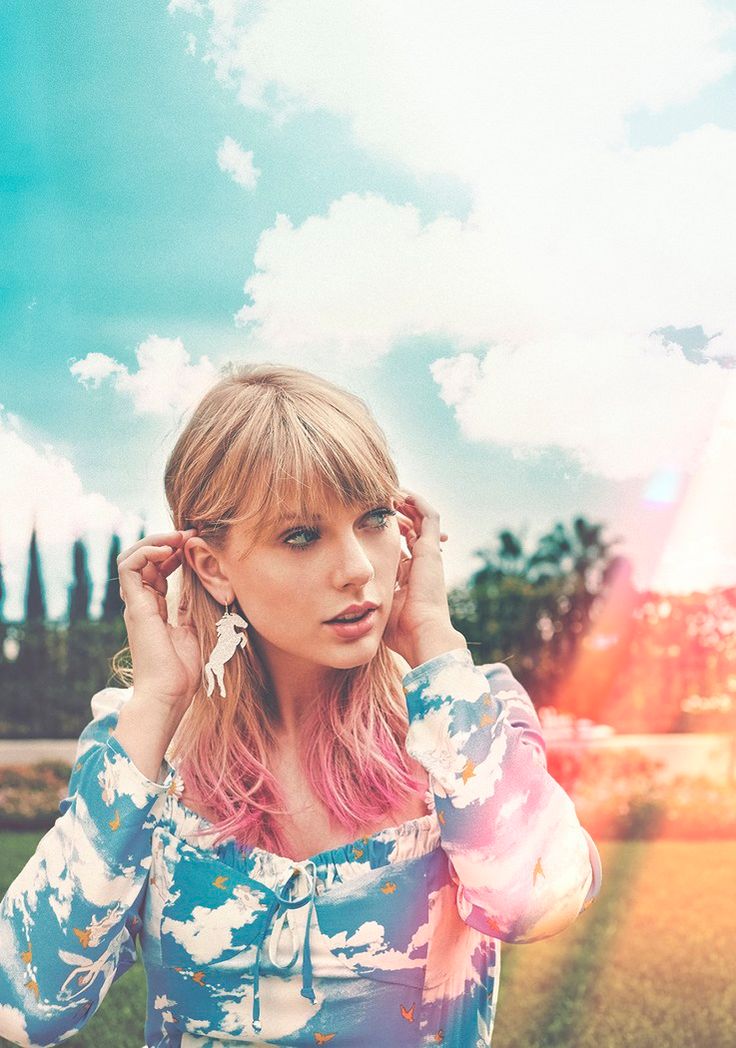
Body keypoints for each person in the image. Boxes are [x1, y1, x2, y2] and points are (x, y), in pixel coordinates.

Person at [0, 363, 602, 1047]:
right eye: (300, 535)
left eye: (373, 518)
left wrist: (435, 640)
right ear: (212, 566)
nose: (357, 567)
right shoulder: (138, 748)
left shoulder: (467, 712)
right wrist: (158, 700)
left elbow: (535, 903)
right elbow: (27, 1004)